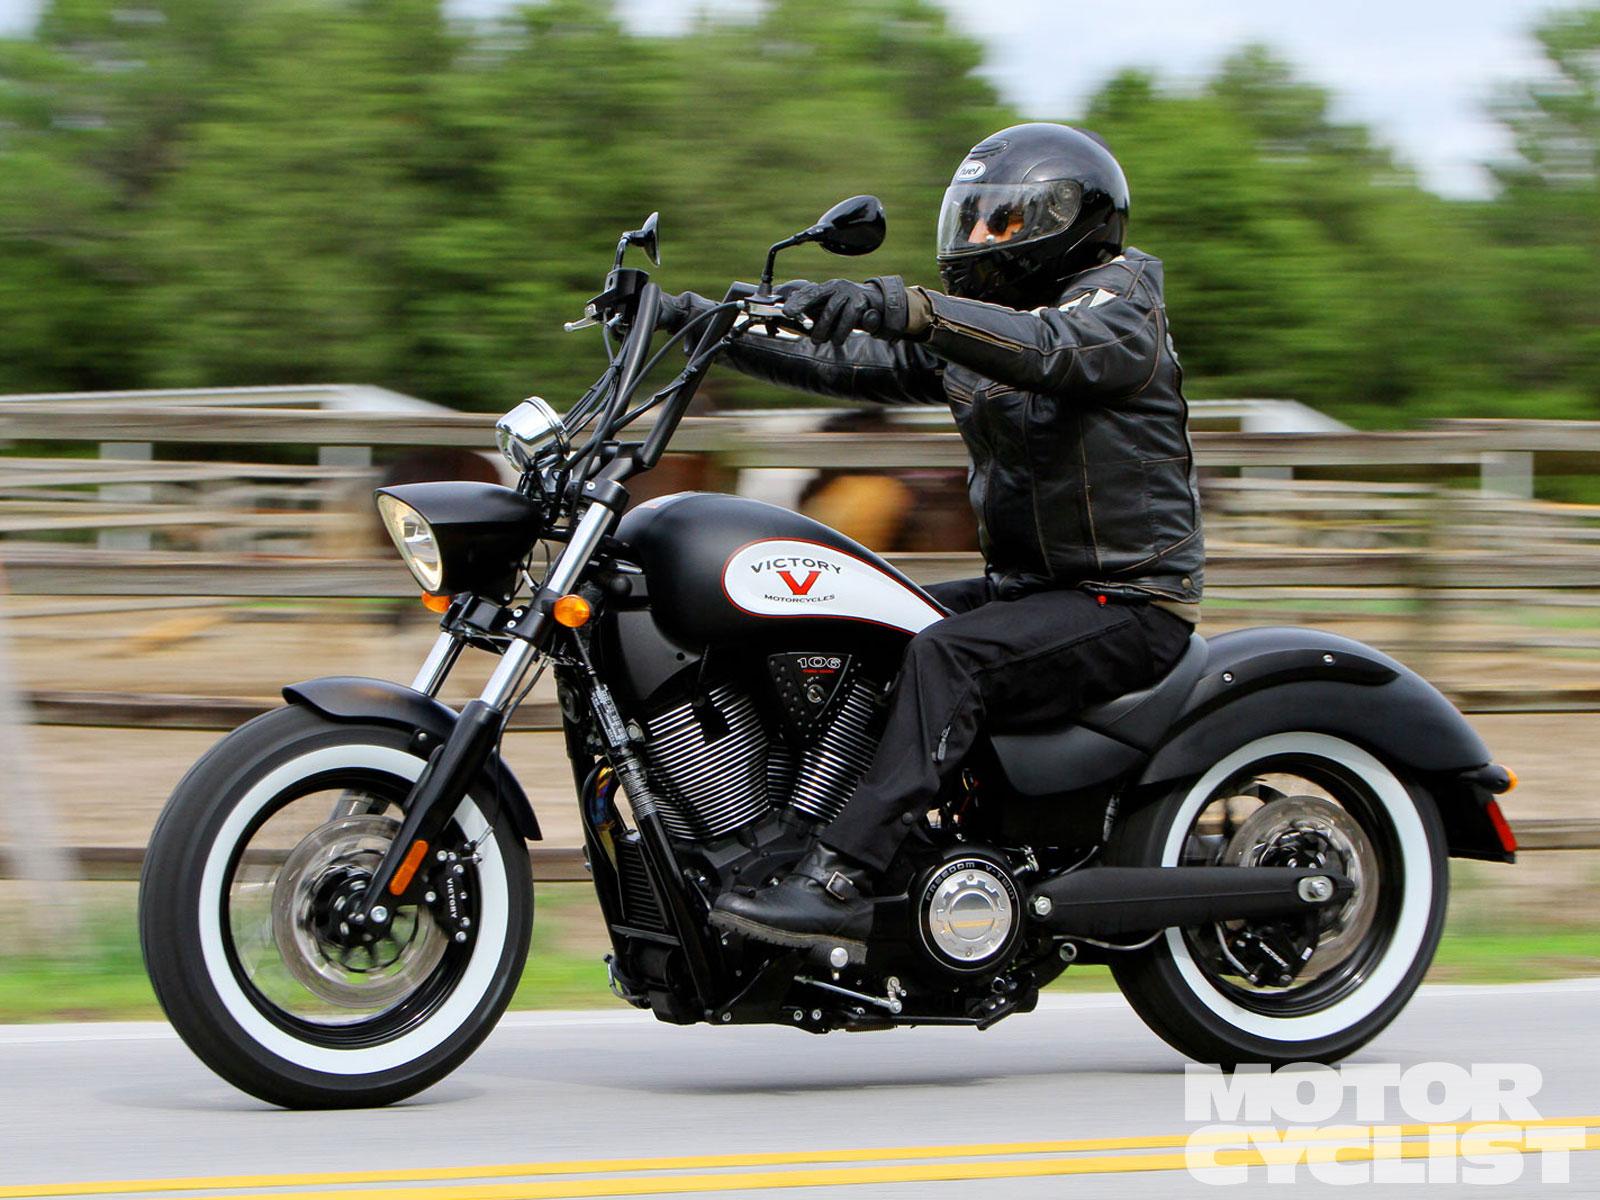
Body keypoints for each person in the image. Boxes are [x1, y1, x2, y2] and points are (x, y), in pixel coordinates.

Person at [659, 123, 1204, 960]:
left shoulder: (1121, 307)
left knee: (950, 656)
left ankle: (840, 878)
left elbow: (1052, 350)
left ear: (1067, 219)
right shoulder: (988, 334)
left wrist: (912, 308)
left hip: (1127, 603)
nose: (977, 237)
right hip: (1029, 593)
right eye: (971, 217)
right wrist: (694, 321)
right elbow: (846, 364)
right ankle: (807, 840)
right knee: (853, 622)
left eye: (1001, 220)